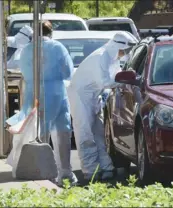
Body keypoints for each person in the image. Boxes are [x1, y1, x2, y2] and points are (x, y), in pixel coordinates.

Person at [67, 31, 137, 181]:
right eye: (125, 50)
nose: (126, 53)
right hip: (80, 96)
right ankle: (90, 171)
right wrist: (125, 80)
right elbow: (106, 82)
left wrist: (125, 77)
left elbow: (116, 75)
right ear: (117, 46)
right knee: (85, 134)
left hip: (94, 95)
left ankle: (106, 168)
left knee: (99, 134)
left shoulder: (112, 58)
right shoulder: (102, 57)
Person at [17, 20, 77, 187]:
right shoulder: (57, 47)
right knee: (63, 131)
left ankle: (44, 171)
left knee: (40, 131)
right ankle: (65, 171)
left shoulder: (26, 50)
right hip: (57, 92)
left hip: (34, 91)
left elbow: (23, 71)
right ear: (50, 32)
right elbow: (67, 72)